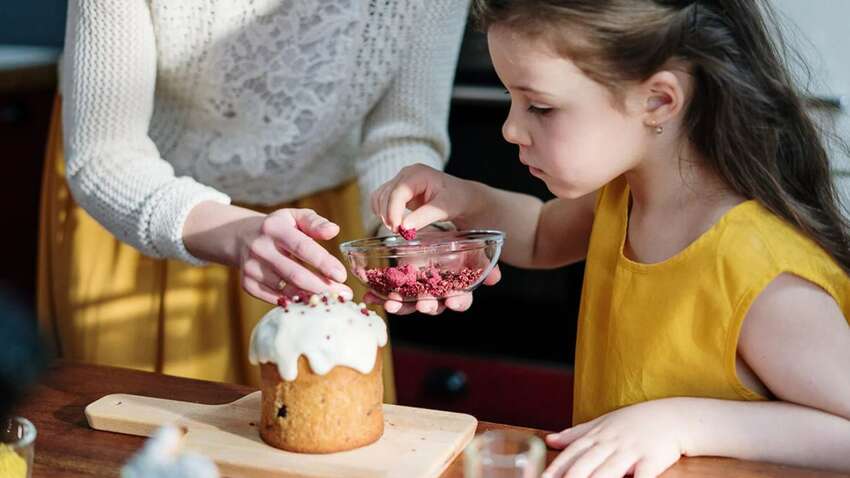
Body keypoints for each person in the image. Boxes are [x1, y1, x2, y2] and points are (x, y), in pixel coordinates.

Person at [371, 0, 850, 475]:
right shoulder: (621, 196)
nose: (511, 128)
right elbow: (539, 235)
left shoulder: (760, 272)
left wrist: (685, 424)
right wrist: (462, 198)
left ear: (658, 100)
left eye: (540, 106)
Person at [37, 0, 470, 401]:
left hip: (317, 232)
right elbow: (104, 155)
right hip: (149, 214)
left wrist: (413, 230)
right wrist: (233, 232)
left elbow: (401, 134)